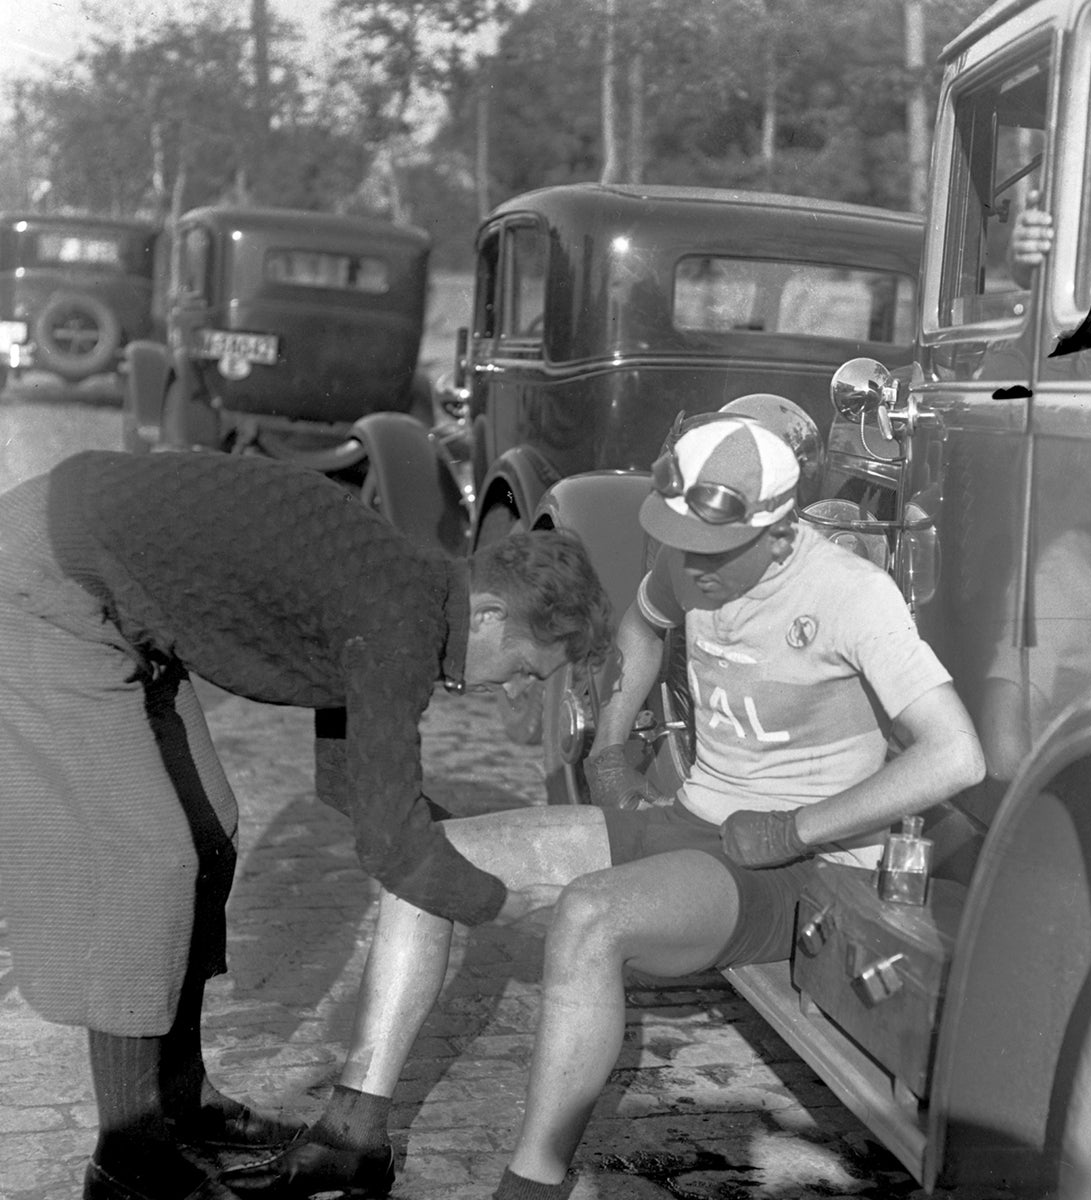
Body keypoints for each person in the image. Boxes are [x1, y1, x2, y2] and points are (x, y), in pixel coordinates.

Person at [226, 405, 985, 1200]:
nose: (692, 568)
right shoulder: (689, 560)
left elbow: (955, 755)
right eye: (680, 543)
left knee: (593, 915)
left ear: (783, 530)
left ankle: (537, 1184)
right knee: (421, 860)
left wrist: (799, 826)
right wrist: (611, 743)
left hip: (795, 862)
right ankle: (353, 1132)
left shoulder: (850, 594)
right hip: (692, 818)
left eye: (716, 552)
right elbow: (643, 627)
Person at [0, 449, 611, 1200]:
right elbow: (389, 845)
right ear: (487, 613)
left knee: (208, 827)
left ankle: (180, 1103)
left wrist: (450, 849)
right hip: (46, 579)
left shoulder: (409, 590)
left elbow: (351, 786)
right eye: (523, 669)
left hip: (112, 582)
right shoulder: (398, 624)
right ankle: (127, 1156)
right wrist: (500, 899)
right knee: (148, 857)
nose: (511, 690)